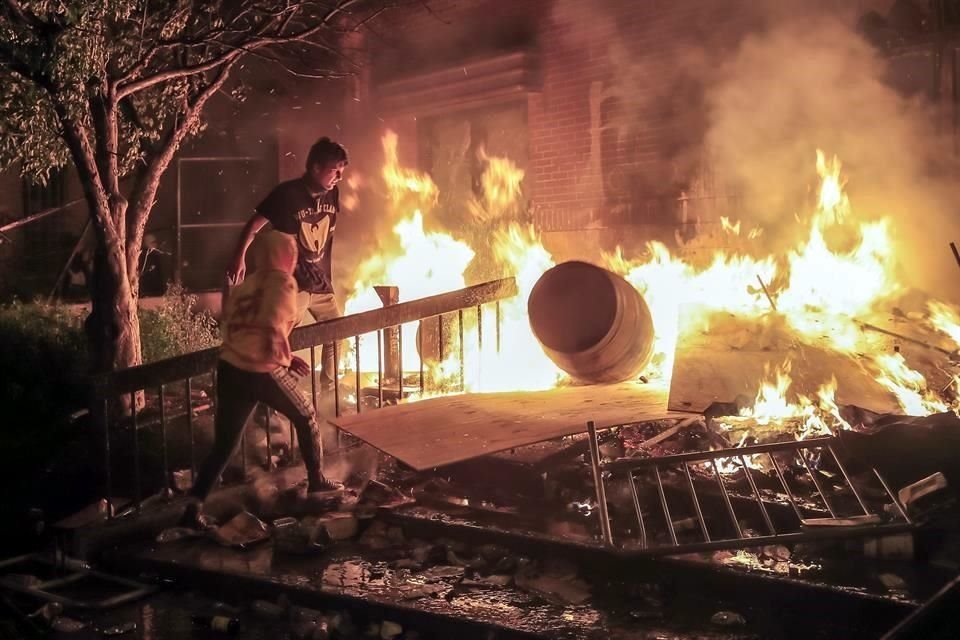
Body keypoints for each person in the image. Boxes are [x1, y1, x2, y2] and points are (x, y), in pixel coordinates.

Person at [183, 231, 341, 528]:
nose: (295, 258)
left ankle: (192, 508)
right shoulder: (283, 282)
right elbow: (272, 322)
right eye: (292, 252)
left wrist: (279, 350)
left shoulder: (245, 286)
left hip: (230, 367)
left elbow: (231, 323)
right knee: (306, 416)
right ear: (281, 256)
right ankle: (317, 481)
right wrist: (282, 355)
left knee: (225, 444)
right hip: (262, 367)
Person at [227, 137, 348, 393]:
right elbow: (254, 225)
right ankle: (274, 392)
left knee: (337, 332)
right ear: (315, 167)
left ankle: (328, 393)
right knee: (281, 337)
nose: (338, 177)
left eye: (341, 172)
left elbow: (327, 234)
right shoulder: (286, 194)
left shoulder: (333, 193)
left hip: (320, 282)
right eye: (334, 170)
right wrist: (239, 256)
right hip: (293, 284)